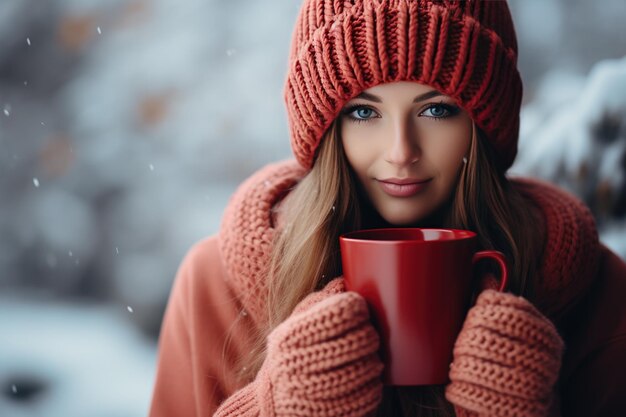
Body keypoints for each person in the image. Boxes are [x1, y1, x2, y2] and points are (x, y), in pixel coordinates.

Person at [149, 1, 626, 416]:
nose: (401, 151)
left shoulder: (598, 291)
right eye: (363, 111)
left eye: (436, 110)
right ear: (325, 130)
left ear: (482, 127)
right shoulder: (213, 284)